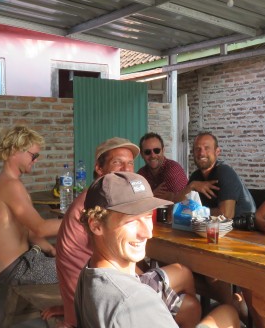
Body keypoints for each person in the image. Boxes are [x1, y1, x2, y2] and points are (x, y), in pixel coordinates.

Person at [55, 137, 200, 327]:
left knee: (183, 273)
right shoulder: (99, 204)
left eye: (130, 163)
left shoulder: (93, 199)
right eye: (118, 162)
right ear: (99, 168)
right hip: (99, 297)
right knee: (196, 305)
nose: (126, 169)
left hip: (92, 287)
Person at [75, 171, 240, 328]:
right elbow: (133, 304)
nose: (147, 233)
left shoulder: (89, 274)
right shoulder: (134, 302)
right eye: (131, 220)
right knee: (228, 313)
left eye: (148, 216)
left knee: (197, 302)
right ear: (96, 225)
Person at [0, 125, 62, 285]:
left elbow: (28, 231)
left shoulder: (7, 182)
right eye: (34, 155)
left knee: (72, 258)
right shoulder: (10, 185)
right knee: (81, 268)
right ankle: (67, 309)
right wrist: (81, 220)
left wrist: (51, 249)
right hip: (17, 268)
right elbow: (40, 228)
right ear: (15, 151)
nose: (36, 160)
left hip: (23, 260)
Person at [184, 132, 256, 219]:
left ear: (217, 152)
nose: (201, 153)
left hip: (241, 229)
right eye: (197, 149)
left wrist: (196, 212)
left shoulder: (224, 172)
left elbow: (226, 215)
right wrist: (192, 186)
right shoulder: (196, 177)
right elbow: (177, 207)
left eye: (206, 148)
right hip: (210, 228)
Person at [137, 132, 188, 203]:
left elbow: (180, 201)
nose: (153, 155)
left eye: (156, 151)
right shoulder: (141, 174)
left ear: (163, 150)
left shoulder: (173, 170)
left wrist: (147, 197)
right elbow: (136, 202)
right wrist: (152, 194)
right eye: (147, 152)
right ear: (142, 154)